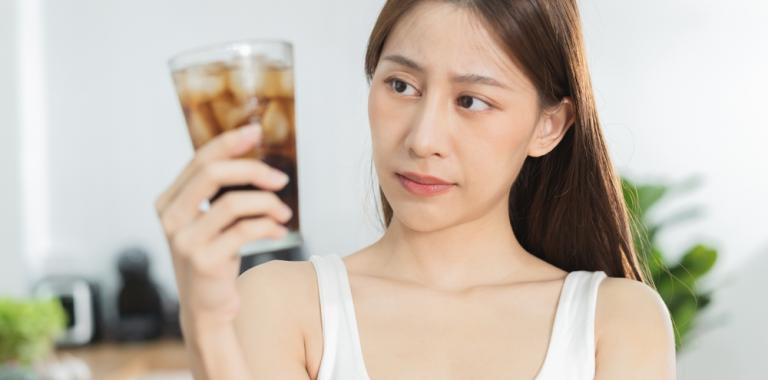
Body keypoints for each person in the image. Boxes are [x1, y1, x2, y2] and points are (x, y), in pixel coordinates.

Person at [154, 0, 677, 379]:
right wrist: (205, 326)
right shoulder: (280, 302)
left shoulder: (615, 322)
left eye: (471, 100)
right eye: (401, 86)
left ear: (549, 126)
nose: (422, 139)